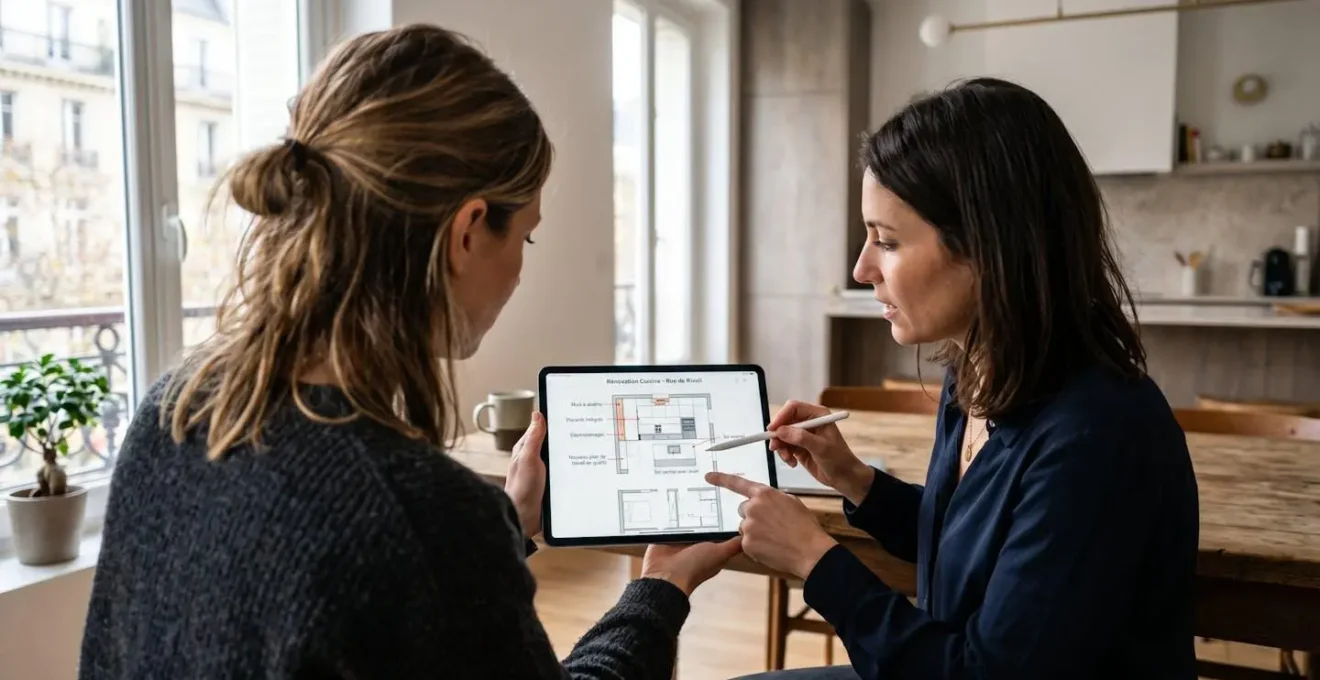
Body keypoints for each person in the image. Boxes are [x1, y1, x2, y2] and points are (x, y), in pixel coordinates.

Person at [78, 24, 741, 679]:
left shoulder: (173, 411)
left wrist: (507, 526)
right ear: (469, 231)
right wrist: (661, 585)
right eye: (526, 240)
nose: (519, 271)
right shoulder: (422, 511)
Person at [708, 77, 1199, 680]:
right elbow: (971, 550)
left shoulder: (1097, 435)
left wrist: (816, 560)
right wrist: (855, 480)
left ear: (987, 246)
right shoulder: (977, 374)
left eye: (886, 241)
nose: (862, 268)